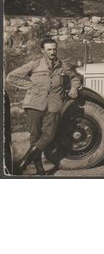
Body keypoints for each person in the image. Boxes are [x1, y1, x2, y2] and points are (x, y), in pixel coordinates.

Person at [6, 38, 81, 175]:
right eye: (49, 49)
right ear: (43, 50)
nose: (52, 52)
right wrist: (31, 86)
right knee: (35, 137)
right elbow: (11, 77)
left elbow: (75, 77)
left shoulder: (62, 66)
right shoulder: (34, 64)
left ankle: (23, 163)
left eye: (54, 49)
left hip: (53, 105)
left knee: (49, 135)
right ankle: (40, 170)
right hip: (34, 104)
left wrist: (74, 87)